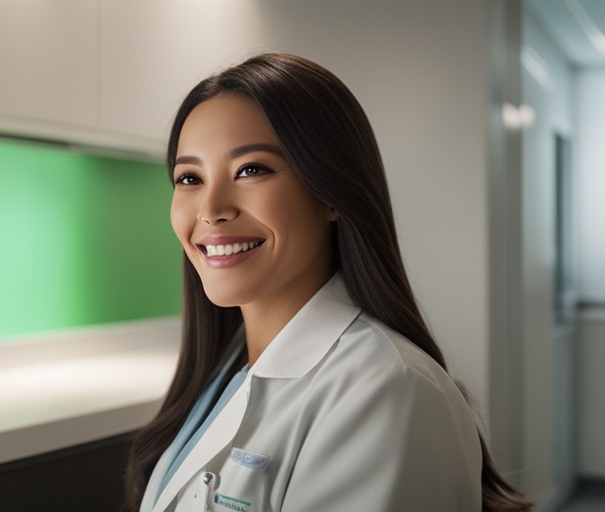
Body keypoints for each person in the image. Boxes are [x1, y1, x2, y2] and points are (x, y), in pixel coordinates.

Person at [125, 53, 532, 512]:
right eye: (189, 177)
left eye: (251, 170)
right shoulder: (226, 370)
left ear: (331, 192)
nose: (211, 208)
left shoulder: (387, 391)